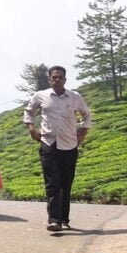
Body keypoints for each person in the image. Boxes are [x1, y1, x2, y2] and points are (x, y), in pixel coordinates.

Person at [23, 65, 91, 232]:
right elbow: (29, 111)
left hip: (69, 145)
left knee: (66, 184)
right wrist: (31, 128)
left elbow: (86, 114)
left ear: (65, 79)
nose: (57, 79)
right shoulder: (41, 96)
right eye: (54, 77)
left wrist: (83, 132)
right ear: (49, 79)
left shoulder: (75, 97)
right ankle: (54, 219)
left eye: (60, 77)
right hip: (49, 143)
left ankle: (64, 218)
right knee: (52, 183)